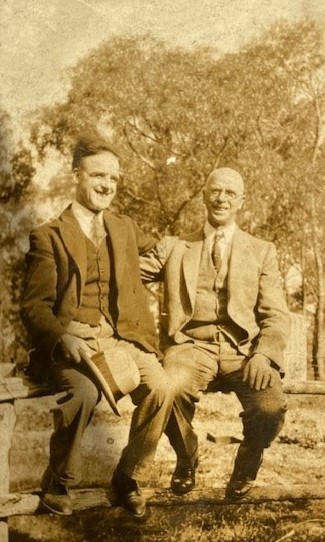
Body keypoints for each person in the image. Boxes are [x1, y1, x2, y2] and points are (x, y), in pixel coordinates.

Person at [20, 134, 173, 518]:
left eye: (114, 179)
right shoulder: (48, 236)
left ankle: (128, 478)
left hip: (122, 340)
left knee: (162, 388)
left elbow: (167, 255)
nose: (107, 186)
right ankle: (58, 483)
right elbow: (34, 307)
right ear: (76, 175)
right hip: (73, 343)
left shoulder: (124, 228)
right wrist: (62, 336)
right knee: (84, 393)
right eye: (98, 176)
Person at [140, 167, 291, 499]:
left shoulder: (261, 249)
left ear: (241, 202)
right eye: (215, 191)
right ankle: (187, 455)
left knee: (271, 406)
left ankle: (248, 462)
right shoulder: (175, 246)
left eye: (230, 193)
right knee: (166, 389)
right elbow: (125, 274)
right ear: (204, 195)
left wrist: (264, 354)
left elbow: (277, 314)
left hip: (244, 352)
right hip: (191, 347)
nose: (221, 199)